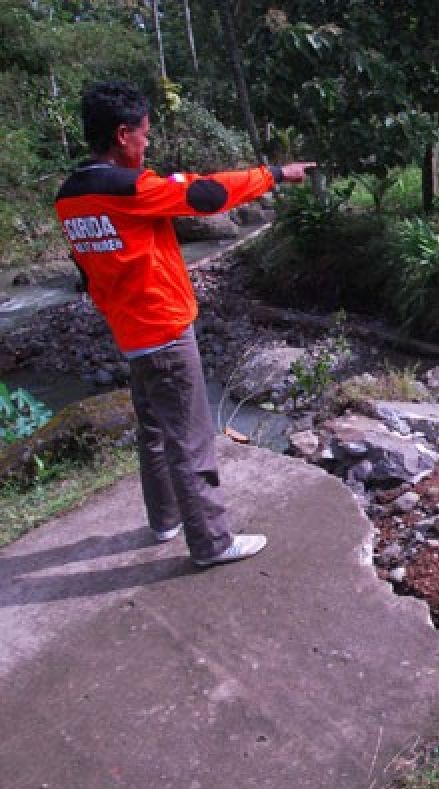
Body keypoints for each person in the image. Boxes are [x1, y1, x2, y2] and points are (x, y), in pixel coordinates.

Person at [55, 81, 314, 567]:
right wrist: (275, 173)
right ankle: (211, 542)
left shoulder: (68, 198)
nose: (147, 143)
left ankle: (165, 520)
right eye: (144, 134)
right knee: (191, 439)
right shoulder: (131, 189)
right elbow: (208, 194)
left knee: (153, 431)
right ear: (122, 134)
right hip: (165, 332)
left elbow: (90, 270)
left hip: (130, 333)